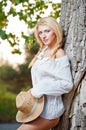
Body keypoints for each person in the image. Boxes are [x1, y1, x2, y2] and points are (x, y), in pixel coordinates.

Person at [17, 16, 73, 130]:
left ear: (55, 31)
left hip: (50, 113)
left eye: (47, 31)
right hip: (37, 109)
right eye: (41, 32)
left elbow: (67, 84)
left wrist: (39, 89)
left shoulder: (59, 53)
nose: (43, 35)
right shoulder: (42, 52)